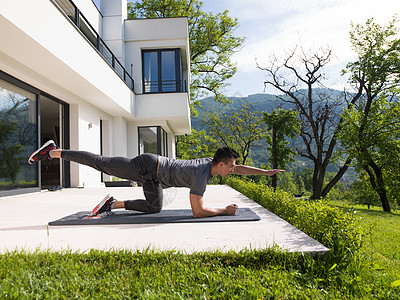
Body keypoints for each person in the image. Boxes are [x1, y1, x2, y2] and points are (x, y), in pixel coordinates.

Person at [28, 140, 284, 218]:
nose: (233, 170)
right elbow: (198, 211)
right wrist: (224, 211)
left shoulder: (211, 165)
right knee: (101, 162)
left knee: (154, 207)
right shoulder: (201, 176)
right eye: (230, 166)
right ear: (220, 164)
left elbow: (241, 170)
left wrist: (266, 172)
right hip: (147, 168)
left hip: (154, 176)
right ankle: (54, 151)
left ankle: (112, 204)